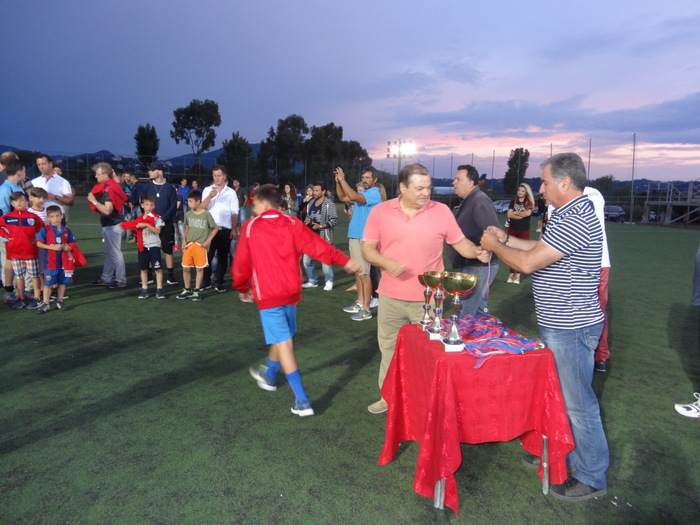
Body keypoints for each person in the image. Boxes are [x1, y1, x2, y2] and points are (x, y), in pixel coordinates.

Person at [480, 152, 609, 501]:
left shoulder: (576, 216)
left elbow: (528, 263)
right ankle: (560, 452)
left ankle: (591, 475)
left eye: (546, 182)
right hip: (561, 324)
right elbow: (542, 248)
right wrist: (505, 240)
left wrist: (495, 246)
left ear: (565, 183)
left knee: (578, 404)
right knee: (561, 397)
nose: (541, 188)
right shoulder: (567, 213)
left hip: (571, 327)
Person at [361, 163, 488, 414]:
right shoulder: (380, 212)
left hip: (429, 302)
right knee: (389, 349)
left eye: (428, 187)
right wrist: (386, 262)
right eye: (419, 188)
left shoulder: (441, 211)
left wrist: (476, 252)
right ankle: (388, 397)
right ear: (402, 187)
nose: (426, 193)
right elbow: (367, 249)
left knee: (428, 354)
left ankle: (425, 402)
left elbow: (460, 242)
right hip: (390, 297)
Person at [233, 184, 361, 417]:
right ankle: (269, 372)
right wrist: (344, 260)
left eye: (255, 204)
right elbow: (318, 247)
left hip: (269, 294)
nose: (253, 208)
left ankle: (302, 400)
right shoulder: (292, 223)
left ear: (264, 204)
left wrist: (242, 287)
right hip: (291, 292)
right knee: (284, 337)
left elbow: (241, 262)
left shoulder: (251, 226)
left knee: (284, 343)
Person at [448, 165, 501, 317]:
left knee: (466, 312)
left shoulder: (479, 200)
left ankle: (465, 332)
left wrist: (483, 252)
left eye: (458, 179)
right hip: (474, 265)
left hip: (478, 266)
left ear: (470, 183)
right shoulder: (472, 199)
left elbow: (493, 232)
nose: (453, 182)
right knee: (478, 311)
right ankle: (486, 331)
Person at [336, 166, 382, 321]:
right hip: (355, 236)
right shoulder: (363, 194)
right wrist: (338, 182)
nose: (364, 180)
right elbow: (343, 197)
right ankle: (360, 302)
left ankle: (366, 309)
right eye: (363, 177)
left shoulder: (374, 194)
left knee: (365, 274)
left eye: (368, 177)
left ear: (375, 180)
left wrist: (343, 179)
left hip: (365, 238)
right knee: (358, 272)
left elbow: (352, 196)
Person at [583, 186, 612, 373]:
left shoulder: (560, 194)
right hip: (601, 260)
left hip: (579, 261)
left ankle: (586, 353)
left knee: (576, 309)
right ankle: (600, 356)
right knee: (599, 309)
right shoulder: (596, 193)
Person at [0, 191, 44, 309]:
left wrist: (38, 239)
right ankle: (21, 298)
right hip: (15, 252)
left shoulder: (33, 217)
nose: (19, 202)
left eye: (22, 200)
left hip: (30, 252)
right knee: (19, 277)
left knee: (34, 275)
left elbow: (43, 228)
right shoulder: (7, 217)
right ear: (12, 203)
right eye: (16, 200)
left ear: (27, 202)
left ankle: (37, 298)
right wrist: (6, 235)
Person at [87, 162, 127, 288]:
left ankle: (120, 279)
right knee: (109, 253)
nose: (96, 176)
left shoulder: (108, 188)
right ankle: (106, 278)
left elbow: (108, 210)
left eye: (98, 174)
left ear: (105, 175)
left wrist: (94, 201)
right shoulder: (110, 186)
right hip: (110, 224)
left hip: (113, 224)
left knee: (114, 253)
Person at [201, 165, 239, 292]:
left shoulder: (231, 192)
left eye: (219, 175)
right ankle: (206, 281)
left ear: (224, 176)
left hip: (225, 228)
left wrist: (233, 229)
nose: (217, 178)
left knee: (223, 257)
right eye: (214, 175)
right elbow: (202, 208)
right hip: (209, 229)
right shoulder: (207, 190)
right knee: (207, 256)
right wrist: (210, 197)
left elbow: (234, 212)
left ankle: (219, 282)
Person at [120, 194, 166, 299]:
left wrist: (147, 225)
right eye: (147, 205)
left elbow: (158, 231)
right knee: (143, 269)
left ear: (154, 205)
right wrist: (134, 228)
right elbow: (137, 232)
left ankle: (159, 289)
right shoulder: (139, 218)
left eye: (151, 205)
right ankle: (144, 289)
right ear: (142, 205)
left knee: (158, 269)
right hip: (143, 246)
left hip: (154, 246)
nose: (149, 207)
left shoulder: (156, 218)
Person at [140, 162, 178, 285]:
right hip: (151, 224)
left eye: (152, 170)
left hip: (166, 223)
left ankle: (170, 276)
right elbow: (143, 204)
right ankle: (149, 276)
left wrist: (163, 218)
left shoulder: (169, 188)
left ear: (160, 172)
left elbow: (173, 206)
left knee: (168, 249)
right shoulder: (146, 187)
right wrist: (151, 218)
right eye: (149, 170)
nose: (149, 172)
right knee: (150, 248)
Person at [177, 189, 218, 301]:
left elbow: (215, 228)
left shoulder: (206, 214)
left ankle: (196, 290)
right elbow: (187, 228)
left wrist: (208, 241)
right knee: (185, 268)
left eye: (190, 201)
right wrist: (184, 240)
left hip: (200, 246)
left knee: (199, 269)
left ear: (198, 201)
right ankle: (187, 289)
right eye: (188, 201)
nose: (188, 204)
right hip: (189, 245)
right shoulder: (188, 214)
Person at [35, 205, 74, 313]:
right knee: (48, 284)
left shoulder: (67, 231)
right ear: (48, 218)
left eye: (57, 216)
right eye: (52, 216)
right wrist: (52, 247)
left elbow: (72, 244)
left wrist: (68, 247)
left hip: (64, 264)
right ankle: (46, 303)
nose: (55, 218)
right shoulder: (45, 230)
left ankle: (60, 301)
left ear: (62, 216)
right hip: (50, 263)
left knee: (62, 283)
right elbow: (39, 244)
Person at [302, 182, 337, 291]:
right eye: (314, 190)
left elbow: (334, 220)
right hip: (311, 237)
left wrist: (320, 226)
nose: (314, 192)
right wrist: (307, 221)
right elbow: (307, 217)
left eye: (317, 190)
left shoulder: (329, 204)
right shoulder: (311, 202)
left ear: (323, 192)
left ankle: (329, 280)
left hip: (324, 237)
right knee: (306, 261)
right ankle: (312, 281)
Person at [0, 157, 25, 303]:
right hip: (9, 233)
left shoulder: (17, 187)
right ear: (19, 172)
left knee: (18, 261)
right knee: (8, 260)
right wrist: (7, 233)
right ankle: (9, 290)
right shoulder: (5, 189)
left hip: (19, 233)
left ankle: (18, 289)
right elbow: (3, 214)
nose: (25, 173)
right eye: (24, 170)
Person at [505, 182, 535, 284]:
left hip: (524, 231)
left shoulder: (529, 203)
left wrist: (515, 213)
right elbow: (509, 215)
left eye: (522, 191)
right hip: (512, 230)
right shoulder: (513, 201)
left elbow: (527, 213)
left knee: (521, 254)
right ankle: (511, 274)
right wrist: (521, 214)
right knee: (511, 253)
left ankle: (517, 275)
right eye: (519, 190)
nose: (520, 192)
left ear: (526, 192)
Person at [31, 154, 75, 221]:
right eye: (39, 165)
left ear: (51, 164)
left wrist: (55, 197)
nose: (41, 167)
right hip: (38, 217)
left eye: (43, 164)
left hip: (56, 219)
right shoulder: (34, 182)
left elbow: (70, 201)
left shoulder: (63, 182)